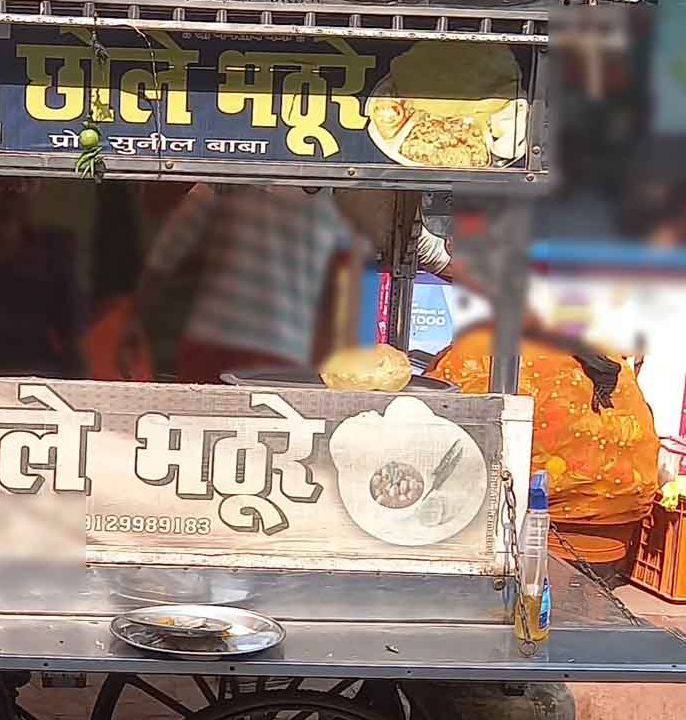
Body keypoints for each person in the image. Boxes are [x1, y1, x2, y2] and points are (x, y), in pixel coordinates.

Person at [134, 184, 453, 383]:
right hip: (234, 353)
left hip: (324, 365)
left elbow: (428, 250)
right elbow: (171, 220)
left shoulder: (376, 189)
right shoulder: (244, 173)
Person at [429, 326, 659, 586]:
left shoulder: (483, 347)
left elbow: (433, 415)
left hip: (539, 535)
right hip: (618, 532)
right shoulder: (606, 350)